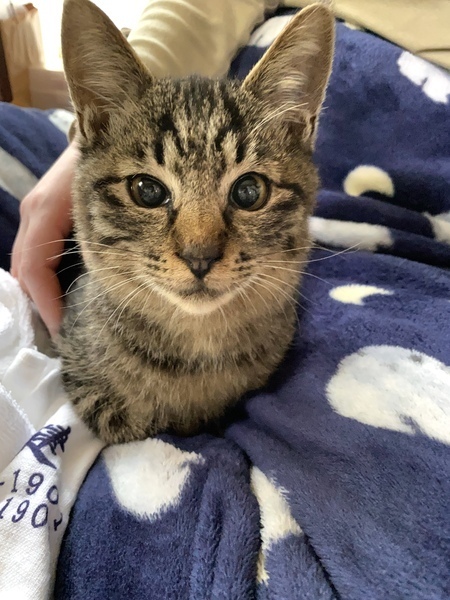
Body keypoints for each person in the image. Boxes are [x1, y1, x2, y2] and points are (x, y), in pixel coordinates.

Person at [10, 0, 450, 337]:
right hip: (171, 101)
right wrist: (91, 141)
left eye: (247, 191)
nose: (199, 250)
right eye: (149, 190)